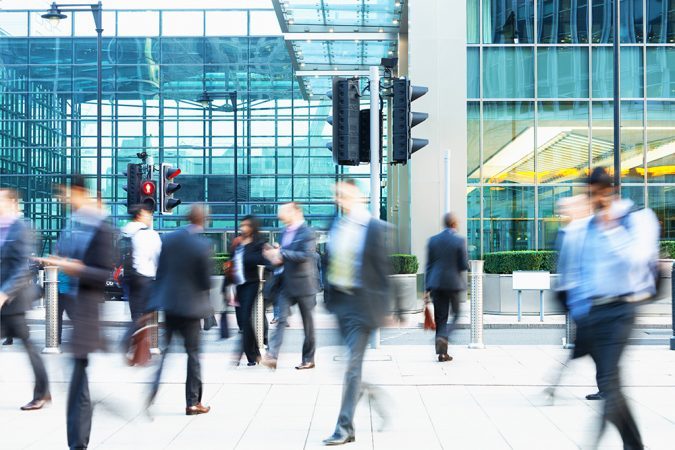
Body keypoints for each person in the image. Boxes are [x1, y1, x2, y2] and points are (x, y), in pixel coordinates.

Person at [557, 167, 659, 450]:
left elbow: (638, 260)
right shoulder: (585, 227)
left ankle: (594, 443)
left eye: (595, 195)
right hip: (594, 313)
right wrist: (580, 312)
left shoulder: (637, 219)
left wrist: (612, 228)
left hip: (623, 308)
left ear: (609, 192)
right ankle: (634, 445)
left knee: (608, 380)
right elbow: (581, 272)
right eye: (587, 195)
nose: (591, 201)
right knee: (610, 381)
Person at [39, 176, 113, 450]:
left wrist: (70, 267)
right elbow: (65, 255)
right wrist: (58, 261)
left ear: (79, 192)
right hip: (70, 304)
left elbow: (103, 272)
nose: (63, 198)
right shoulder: (73, 223)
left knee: (78, 382)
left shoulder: (100, 227)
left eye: (66, 193)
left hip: (86, 310)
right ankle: (78, 441)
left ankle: (78, 444)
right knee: (76, 381)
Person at [322, 180, 392, 446]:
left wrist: (389, 309)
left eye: (345, 193)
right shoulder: (336, 226)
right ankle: (374, 396)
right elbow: (328, 264)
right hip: (341, 304)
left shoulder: (375, 228)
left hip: (364, 305)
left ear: (358, 196)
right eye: (338, 195)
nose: (341, 198)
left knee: (351, 366)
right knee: (346, 367)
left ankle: (344, 428)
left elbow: (382, 269)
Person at [146, 204, 214, 416]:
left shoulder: (169, 239)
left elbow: (161, 271)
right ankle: (193, 403)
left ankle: (151, 392)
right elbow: (205, 282)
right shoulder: (202, 245)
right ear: (204, 220)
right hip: (191, 308)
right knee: (192, 355)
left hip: (170, 305)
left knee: (165, 353)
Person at [0, 188, 50, 411]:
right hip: (3, 299)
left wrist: (5, 293)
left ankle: (42, 392)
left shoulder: (21, 227)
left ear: (12, 203)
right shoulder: (3, 228)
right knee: (29, 346)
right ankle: (44, 392)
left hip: (13, 300)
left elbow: (21, 267)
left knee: (29, 346)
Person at [263, 202, 319, 370]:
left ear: (295, 212)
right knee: (281, 320)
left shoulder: (307, 232)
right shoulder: (283, 232)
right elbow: (283, 258)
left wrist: (282, 253)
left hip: (304, 285)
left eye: (284, 211)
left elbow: (305, 255)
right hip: (286, 284)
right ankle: (272, 355)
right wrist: (274, 257)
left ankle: (308, 359)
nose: (280, 215)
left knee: (308, 325)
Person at [424, 212, 468, 362]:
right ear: (455, 224)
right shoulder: (459, 241)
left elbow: (428, 265)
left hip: (435, 283)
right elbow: (463, 265)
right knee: (456, 314)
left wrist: (426, 288)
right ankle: (444, 337)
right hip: (453, 284)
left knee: (440, 317)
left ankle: (442, 353)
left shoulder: (433, 240)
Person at [119, 204, 161, 352]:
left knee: (136, 312)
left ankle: (140, 349)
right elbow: (158, 257)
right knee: (148, 312)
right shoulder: (150, 234)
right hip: (146, 277)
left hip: (130, 277)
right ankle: (128, 339)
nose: (150, 217)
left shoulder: (126, 231)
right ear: (140, 214)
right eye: (148, 214)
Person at [229, 215, 267, 366]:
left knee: (245, 319)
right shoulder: (238, 244)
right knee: (243, 321)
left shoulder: (258, 244)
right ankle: (255, 353)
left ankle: (247, 355)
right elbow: (230, 264)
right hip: (239, 285)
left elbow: (260, 260)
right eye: (242, 225)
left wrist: (244, 256)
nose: (242, 228)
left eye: (246, 225)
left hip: (251, 284)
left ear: (252, 228)